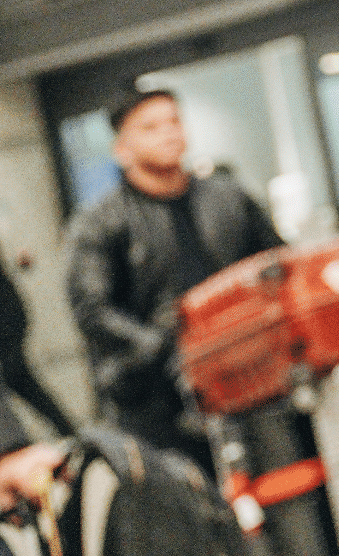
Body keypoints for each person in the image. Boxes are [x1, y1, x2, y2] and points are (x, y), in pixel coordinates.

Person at [65, 90, 281, 477]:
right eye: (150, 127)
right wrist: (161, 346)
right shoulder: (100, 223)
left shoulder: (229, 198)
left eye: (174, 121)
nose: (168, 133)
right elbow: (92, 311)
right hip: (156, 399)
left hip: (249, 377)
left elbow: (277, 266)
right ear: (121, 149)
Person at [0, 244, 73, 440]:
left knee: (21, 382)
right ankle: (68, 433)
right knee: (24, 384)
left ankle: (66, 434)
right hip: (10, 319)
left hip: (7, 321)